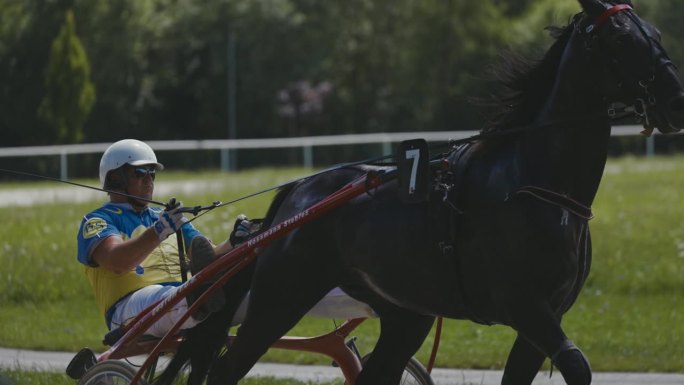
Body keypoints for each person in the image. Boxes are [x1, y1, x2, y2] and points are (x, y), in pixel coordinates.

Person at [76, 139, 253, 337]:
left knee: (254, 295)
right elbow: (116, 261)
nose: (149, 180)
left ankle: (203, 297)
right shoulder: (98, 220)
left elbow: (207, 256)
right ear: (116, 178)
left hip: (183, 295)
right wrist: (159, 230)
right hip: (129, 305)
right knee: (183, 295)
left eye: (152, 173)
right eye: (140, 173)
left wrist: (234, 243)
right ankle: (198, 298)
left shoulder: (164, 217)